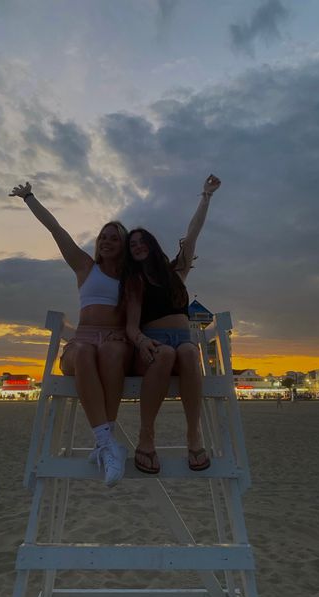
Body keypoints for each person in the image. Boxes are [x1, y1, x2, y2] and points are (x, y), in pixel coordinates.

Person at [9, 181, 133, 487]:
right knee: (85, 352)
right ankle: (106, 443)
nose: (105, 241)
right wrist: (29, 198)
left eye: (113, 238)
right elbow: (57, 230)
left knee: (113, 352)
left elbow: (165, 273)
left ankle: (105, 441)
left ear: (123, 245)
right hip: (82, 341)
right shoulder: (85, 267)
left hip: (115, 342)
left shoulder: (132, 277)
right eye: (102, 237)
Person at [121, 174, 221, 474]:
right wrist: (142, 342)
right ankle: (146, 436)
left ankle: (194, 434)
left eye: (141, 241)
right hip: (154, 346)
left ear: (151, 245)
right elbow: (131, 326)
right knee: (166, 353)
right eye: (132, 244)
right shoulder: (135, 281)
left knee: (190, 353)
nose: (137, 246)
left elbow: (192, 235)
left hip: (184, 342)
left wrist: (206, 196)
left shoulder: (176, 273)